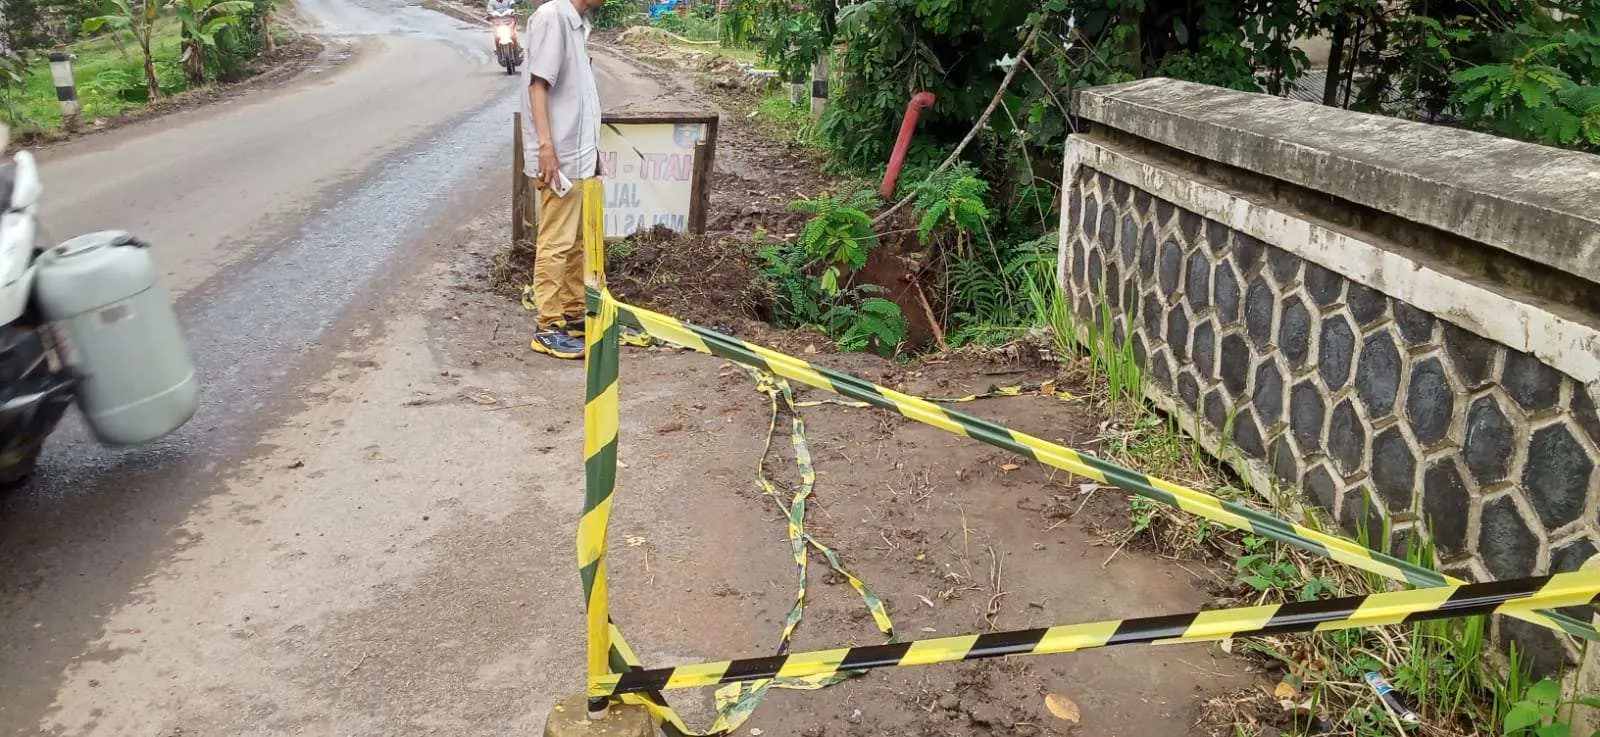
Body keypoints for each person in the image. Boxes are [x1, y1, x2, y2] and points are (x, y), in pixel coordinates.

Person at [523, 0, 605, 360]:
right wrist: (546, 148)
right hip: (560, 158)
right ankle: (548, 326)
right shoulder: (552, 18)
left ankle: (572, 313)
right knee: (556, 241)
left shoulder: (577, 25)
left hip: (579, 155)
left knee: (575, 243)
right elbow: (538, 85)